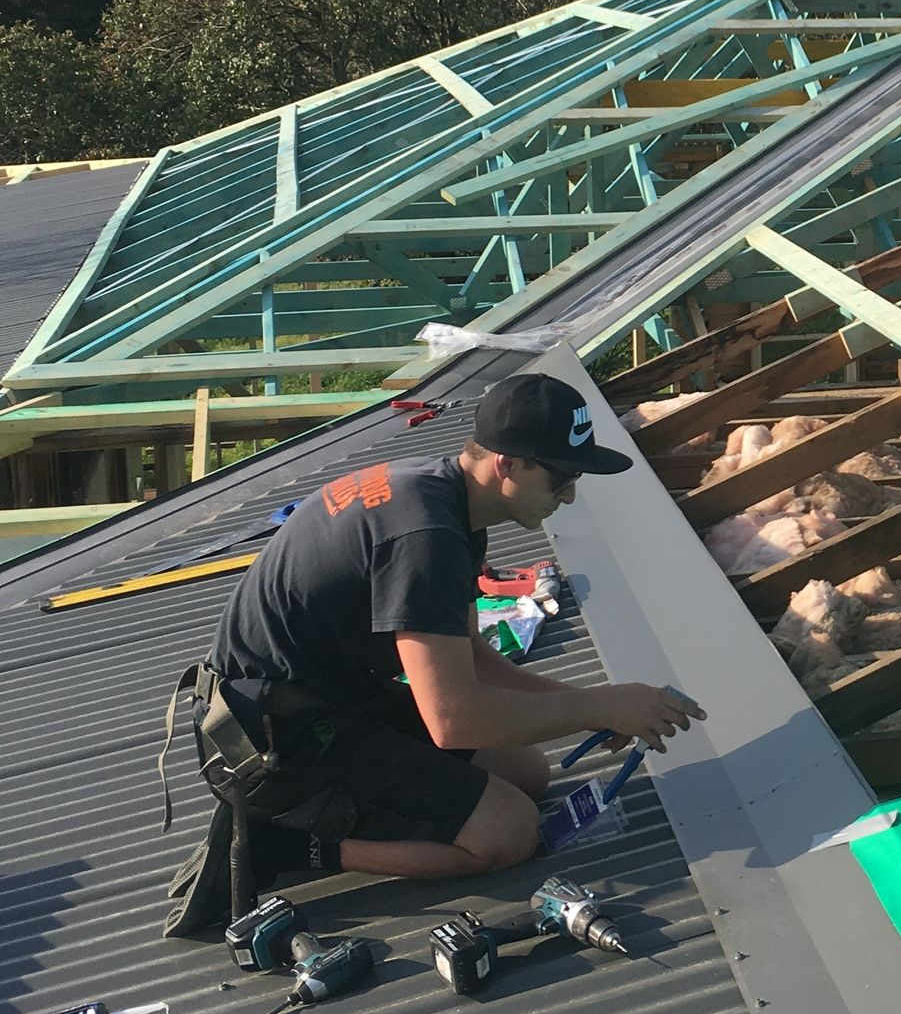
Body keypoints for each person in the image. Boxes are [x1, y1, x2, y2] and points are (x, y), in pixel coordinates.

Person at [163, 372, 703, 936]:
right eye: (563, 476)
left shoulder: (444, 497)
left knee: (527, 772)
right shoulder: (426, 539)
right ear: (509, 464)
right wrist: (600, 708)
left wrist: (592, 703)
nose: (569, 495)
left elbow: (470, 657)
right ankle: (287, 844)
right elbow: (453, 721)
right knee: (510, 834)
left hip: (329, 700)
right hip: (275, 745)